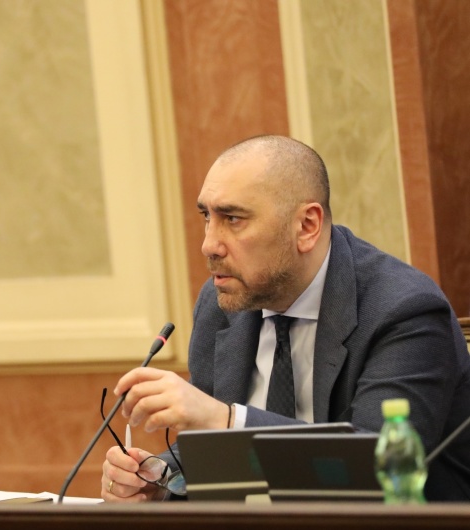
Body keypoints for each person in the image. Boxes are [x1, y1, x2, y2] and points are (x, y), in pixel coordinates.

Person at [101, 135, 470, 502]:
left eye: (233, 218)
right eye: (207, 217)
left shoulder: (403, 310)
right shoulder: (220, 305)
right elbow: (212, 452)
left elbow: (380, 470)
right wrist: (160, 479)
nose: (209, 244)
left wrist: (226, 421)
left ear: (306, 226)